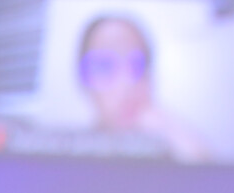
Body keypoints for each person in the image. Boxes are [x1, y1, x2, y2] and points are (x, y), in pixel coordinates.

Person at [76, 14, 211, 162]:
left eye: (137, 64)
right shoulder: (69, 159)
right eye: (105, 65)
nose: (126, 83)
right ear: (84, 78)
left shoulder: (170, 153)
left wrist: (173, 132)